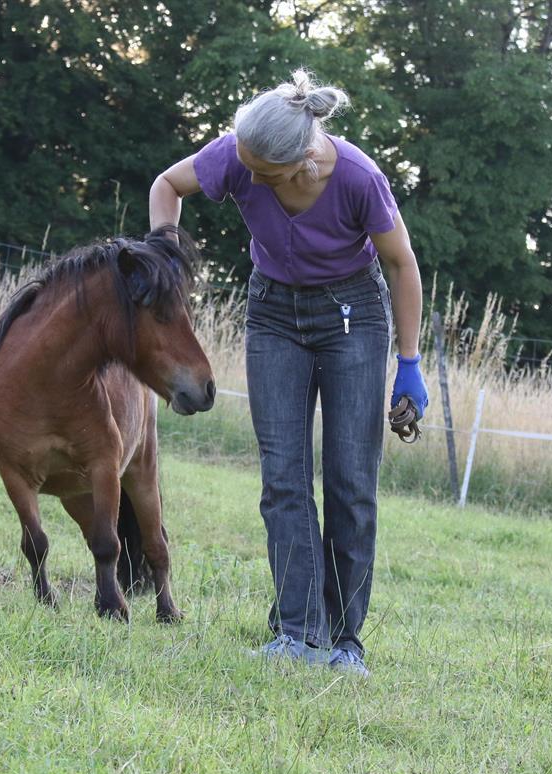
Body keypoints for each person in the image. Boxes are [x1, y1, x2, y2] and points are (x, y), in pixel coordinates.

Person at [148, 70, 429, 677]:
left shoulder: (358, 178)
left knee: (350, 480)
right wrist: (165, 252)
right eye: (243, 163)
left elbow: (403, 265)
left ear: (302, 162)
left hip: (352, 315)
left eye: (261, 173)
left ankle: (346, 642)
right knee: (283, 477)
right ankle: (297, 632)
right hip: (273, 313)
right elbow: (168, 185)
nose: (245, 176)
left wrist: (409, 363)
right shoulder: (239, 154)